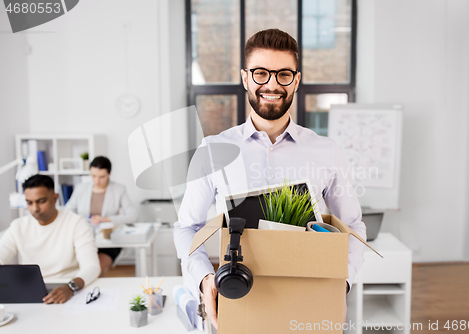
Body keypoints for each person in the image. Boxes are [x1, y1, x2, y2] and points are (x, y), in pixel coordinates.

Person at [173, 29, 367, 329]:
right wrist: (203, 278)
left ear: (297, 80)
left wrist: (342, 284)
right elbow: (188, 227)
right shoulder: (212, 150)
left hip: (310, 301)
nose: (272, 84)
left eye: (284, 74)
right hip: (239, 299)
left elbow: (352, 226)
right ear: (245, 78)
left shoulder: (326, 152)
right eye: (261, 73)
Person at [0, 174, 100, 304]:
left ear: (55, 198)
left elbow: (91, 266)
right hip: (31, 293)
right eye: (29, 203)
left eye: (41, 201)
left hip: (69, 290)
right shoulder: (18, 226)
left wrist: (70, 287)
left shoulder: (76, 223)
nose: (35, 208)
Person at [66, 156, 137, 276]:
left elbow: (133, 215)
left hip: (108, 243)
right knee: (81, 271)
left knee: (95, 271)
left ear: (109, 174)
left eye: (101, 177)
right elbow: (68, 211)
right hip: (84, 238)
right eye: (93, 176)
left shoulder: (119, 189)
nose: (97, 181)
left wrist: (105, 219)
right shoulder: (81, 189)